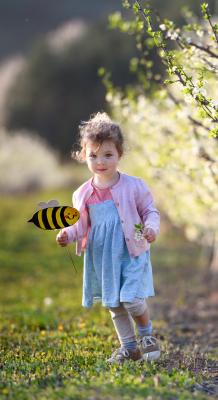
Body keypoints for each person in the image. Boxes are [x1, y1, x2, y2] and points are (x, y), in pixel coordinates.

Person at [56, 112, 161, 363]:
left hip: (131, 250)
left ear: (119, 155)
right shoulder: (82, 193)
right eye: (93, 155)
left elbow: (150, 210)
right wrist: (68, 234)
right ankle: (129, 347)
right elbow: (79, 224)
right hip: (103, 255)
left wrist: (151, 227)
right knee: (115, 304)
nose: (100, 162)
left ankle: (147, 336)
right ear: (84, 155)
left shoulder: (134, 185)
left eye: (108, 155)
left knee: (133, 300)